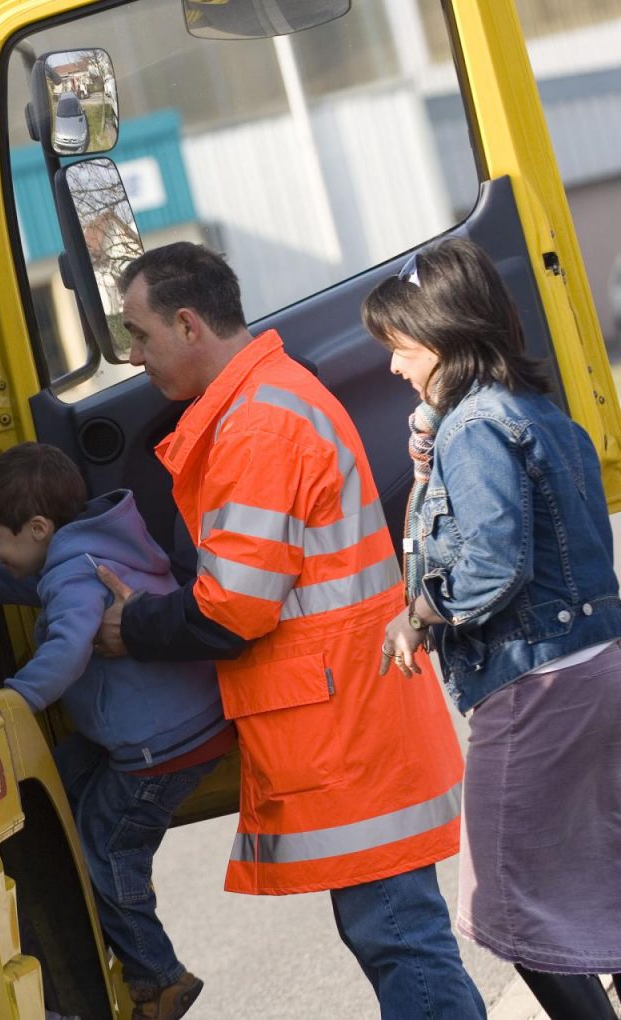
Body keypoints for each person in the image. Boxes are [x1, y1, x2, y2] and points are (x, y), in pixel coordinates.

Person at [90, 242, 485, 1018]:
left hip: (346, 727)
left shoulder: (257, 427)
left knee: (398, 937)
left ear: (188, 323)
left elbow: (233, 608)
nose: (133, 356)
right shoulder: (270, 400)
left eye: (139, 335)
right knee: (397, 934)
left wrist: (132, 625)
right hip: (355, 713)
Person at [365, 237, 621, 1019]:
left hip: (534, 685)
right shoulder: (540, 413)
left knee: (507, 904)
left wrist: (419, 613)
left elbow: (490, 566)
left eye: (401, 347)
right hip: (594, 668)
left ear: (441, 336)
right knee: (599, 883)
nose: (394, 367)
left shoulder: (474, 429)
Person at [0, 442, 232, 1020]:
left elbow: (67, 648)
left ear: (38, 528)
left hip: (159, 744)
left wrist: (16, 700)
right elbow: (31, 580)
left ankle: (159, 978)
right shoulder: (97, 546)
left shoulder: (72, 578)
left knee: (107, 847)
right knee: (60, 779)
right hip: (175, 718)